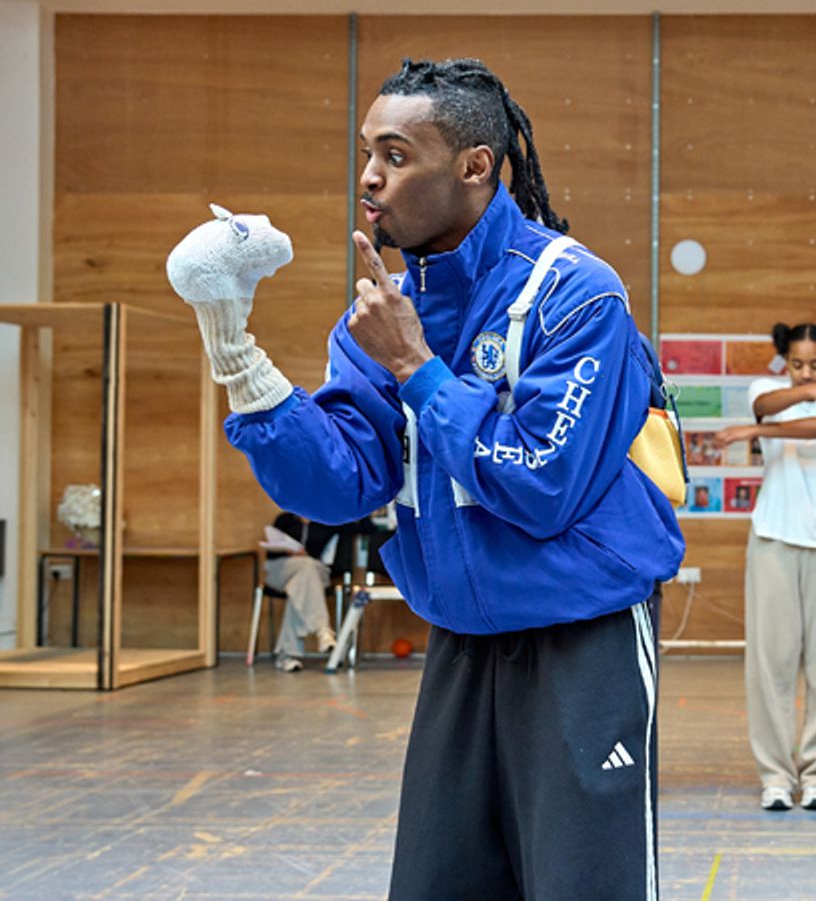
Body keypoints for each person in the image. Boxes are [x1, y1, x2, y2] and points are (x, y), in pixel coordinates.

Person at [165, 57, 683, 900]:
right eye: (366, 152)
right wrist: (235, 348)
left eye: (398, 155)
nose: (370, 177)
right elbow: (343, 485)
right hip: (461, 642)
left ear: (475, 166)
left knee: (585, 886)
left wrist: (415, 365)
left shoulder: (578, 294)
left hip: (583, 636)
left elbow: (542, 483)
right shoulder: (381, 312)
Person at [714, 322, 816, 812]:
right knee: (771, 665)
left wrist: (757, 433)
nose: (805, 374)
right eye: (797, 364)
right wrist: (809, 394)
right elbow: (765, 404)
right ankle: (776, 776)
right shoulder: (768, 390)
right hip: (774, 540)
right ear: (785, 360)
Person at [263, 511, 338, 672]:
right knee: (304, 572)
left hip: (315, 572)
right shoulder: (285, 519)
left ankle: (287, 655)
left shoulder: (328, 518)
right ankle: (322, 629)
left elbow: (367, 527)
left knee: (302, 581)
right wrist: (288, 551)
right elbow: (270, 551)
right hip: (282, 568)